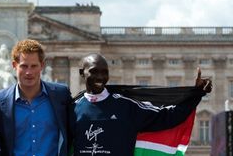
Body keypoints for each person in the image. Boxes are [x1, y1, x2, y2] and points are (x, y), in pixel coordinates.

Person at [72, 53, 212, 156]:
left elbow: (167, 116)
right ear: (81, 73)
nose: (100, 77)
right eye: (94, 72)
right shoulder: (71, 108)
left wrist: (196, 93)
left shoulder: (126, 106)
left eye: (104, 73)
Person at [0, 39, 73, 156]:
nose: (29, 72)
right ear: (14, 65)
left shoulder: (61, 95)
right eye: (24, 66)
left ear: (42, 66)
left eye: (34, 66)